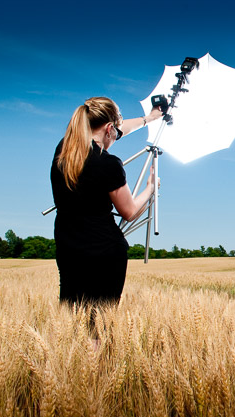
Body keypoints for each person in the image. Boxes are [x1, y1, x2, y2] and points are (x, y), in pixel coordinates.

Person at [50, 96, 163, 307]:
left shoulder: (64, 150)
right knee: (99, 324)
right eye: (115, 132)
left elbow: (119, 129)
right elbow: (129, 212)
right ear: (109, 127)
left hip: (67, 247)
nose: (117, 136)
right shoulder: (108, 164)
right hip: (103, 252)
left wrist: (150, 118)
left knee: (71, 317)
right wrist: (150, 188)